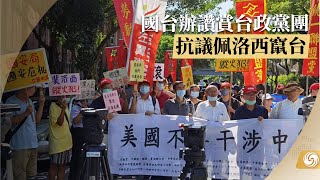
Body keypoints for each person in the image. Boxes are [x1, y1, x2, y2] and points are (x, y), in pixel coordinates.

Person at [5, 86, 45, 180]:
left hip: (33, 144)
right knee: (19, 175)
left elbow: (37, 120)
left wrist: (41, 105)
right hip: (20, 146)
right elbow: (8, 122)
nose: (34, 89)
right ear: (24, 88)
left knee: (32, 175)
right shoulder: (11, 101)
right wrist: (25, 113)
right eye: (32, 87)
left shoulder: (29, 101)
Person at [48, 96, 72, 180]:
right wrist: (63, 109)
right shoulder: (53, 106)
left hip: (66, 142)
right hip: (57, 143)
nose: (65, 98)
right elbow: (60, 122)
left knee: (62, 166)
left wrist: (64, 107)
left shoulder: (65, 106)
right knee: (54, 166)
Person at [69, 99, 87, 180]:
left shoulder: (89, 106)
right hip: (78, 134)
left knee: (84, 159)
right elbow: (75, 121)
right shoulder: (75, 108)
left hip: (86, 134)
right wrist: (82, 111)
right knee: (77, 158)